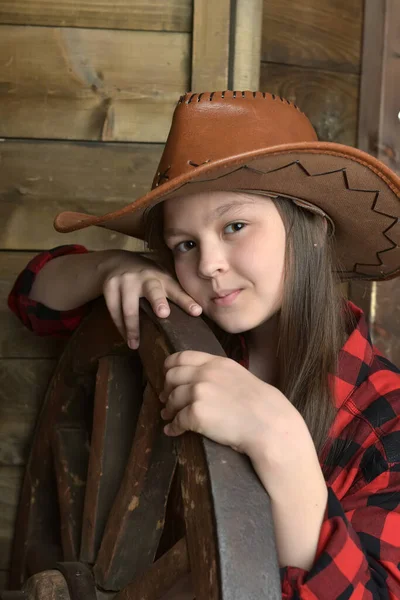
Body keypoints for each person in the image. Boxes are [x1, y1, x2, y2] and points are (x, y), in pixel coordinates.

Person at [8, 90, 400, 599]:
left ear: (314, 230)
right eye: (184, 244)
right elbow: (32, 299)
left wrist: (283, 445)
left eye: (235, 226)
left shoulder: (384, 418)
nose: (208, 264)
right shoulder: (183, 327)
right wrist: (113, 266)